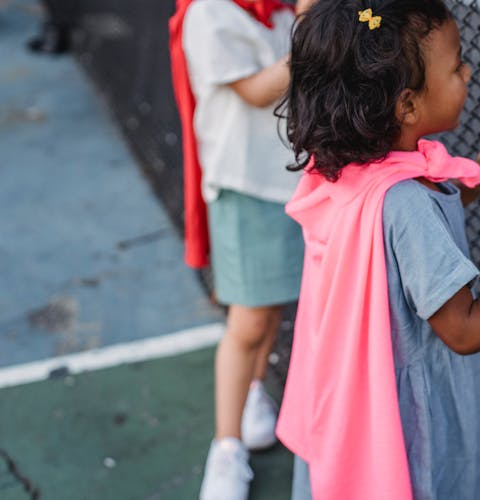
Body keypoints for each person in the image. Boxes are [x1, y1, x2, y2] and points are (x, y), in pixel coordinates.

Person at [274, 0, 480, 498]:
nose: (468, 72)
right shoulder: (406, 204)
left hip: (343, 394)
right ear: (407, 105)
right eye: (456, 67)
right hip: (412, 413)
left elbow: (385, 242)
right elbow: (462, 327)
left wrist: (468, 186)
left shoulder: (336, 166)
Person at [168, 0, 313, 498]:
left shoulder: (277, 10)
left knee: (269, 309)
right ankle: (225, 448)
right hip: (245, 186)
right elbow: (255, 91)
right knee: (248, 320)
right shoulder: (209, 12)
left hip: (290, 183)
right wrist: (312, 27)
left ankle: (253, 392)